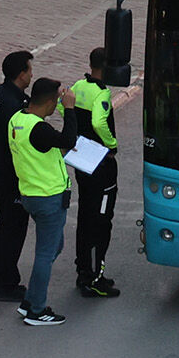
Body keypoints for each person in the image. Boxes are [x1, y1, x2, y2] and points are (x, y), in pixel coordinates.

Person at [10, 77, 82, 326]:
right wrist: (70, 109)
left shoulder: (17, 119)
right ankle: (36, 311)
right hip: (48, 197)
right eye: (56, 103)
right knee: (45, 254)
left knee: (55, 247)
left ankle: (30, 300)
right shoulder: (39, 129)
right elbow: (69, 141)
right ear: (51, 102)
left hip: (31, 194)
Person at [0, 50, 35, 302]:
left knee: (4, 224)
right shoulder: (17, 107)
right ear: (21, 74)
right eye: (29, 70)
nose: (31, 75)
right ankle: (6, 281)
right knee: (13, 228)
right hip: (11, 173)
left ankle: (1, 277)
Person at [70, 47, 122, 298]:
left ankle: (84, 270)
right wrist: (111, 145)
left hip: (83, 160)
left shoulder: (79, 85)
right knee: (101, 221)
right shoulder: (101, 92)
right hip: (101, 164)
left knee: (85, 215)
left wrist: (77, 135)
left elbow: (63, 107)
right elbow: (99, 122)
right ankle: (94, 277)